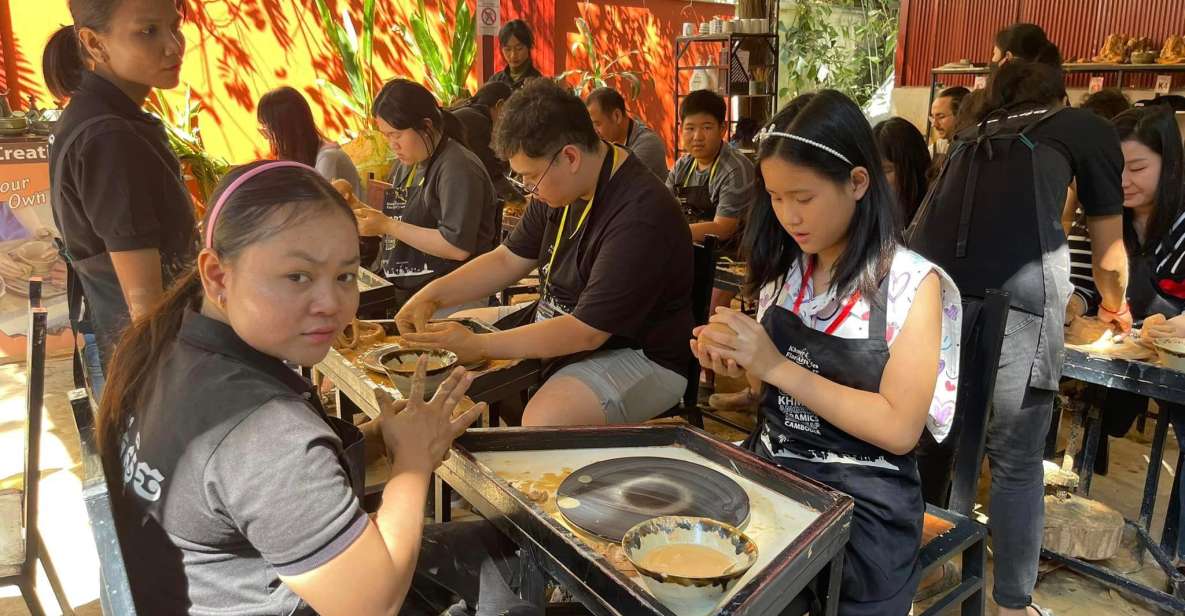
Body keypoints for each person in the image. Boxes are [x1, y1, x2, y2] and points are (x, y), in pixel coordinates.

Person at [97, 161, 539, 615]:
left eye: (346, 276)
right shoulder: (263, 433)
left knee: (498, 545)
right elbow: (372, 605)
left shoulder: (165, 349)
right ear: (216, 275)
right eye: (297, 277)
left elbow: (243, 496)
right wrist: (412, 463)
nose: (331, 304)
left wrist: (377, 441)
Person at [694, 90, 962, 615]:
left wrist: (775, 364)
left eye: (804, 196)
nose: (788, 215)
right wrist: (735, 361)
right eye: (774, 197)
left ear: (858, 183)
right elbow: (762, 394)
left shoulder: (910, 283)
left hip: (866, 503)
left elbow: (898, 428)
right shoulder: (789, 270)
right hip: (775, 475)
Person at [909, 56, 1129, 616]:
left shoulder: (966, 136)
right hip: (1021, 307)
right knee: (1015, 460)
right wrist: (1114, 306)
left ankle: (920, 578)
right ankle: (1011, 605)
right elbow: (1108, 252)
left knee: (932, 439)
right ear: (1060, 94)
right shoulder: (1082, 127)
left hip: (937, 300)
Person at [395, 79, 693, 427]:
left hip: (641, 355)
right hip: (563, 321)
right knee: (444, 352)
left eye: (530, 178)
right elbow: (508, 259)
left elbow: (587, 332)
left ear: (570, 157)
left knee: (542, 417)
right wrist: (431, 296)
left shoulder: (640, 214)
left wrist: (479, 346)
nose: (529, 192)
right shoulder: (562, 185)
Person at [45, 0, 197, 395]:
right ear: (95, 44)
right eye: (148, 31)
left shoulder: (95, 117)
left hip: (129, 349)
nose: (173, 45)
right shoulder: (110, 136)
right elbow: (145, 305)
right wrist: (171, 392)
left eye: (174, 27)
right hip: (155, 362)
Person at [1066, 106, 1185, 477]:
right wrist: (1073, 303)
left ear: (1170, 165)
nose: (1122, 181)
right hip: (1127, 352)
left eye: (1136, 168)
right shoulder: (1104, 214)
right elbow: (1086, 282)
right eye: (1114, 168)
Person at [356, 79, 497, 313]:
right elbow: (403, 224)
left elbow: (456, 247)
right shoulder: (408, 163)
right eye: (387, 136)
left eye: (397, 135)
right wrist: (358, 208)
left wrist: (387, 225)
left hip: (453, 295)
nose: (393, 145)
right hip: (412, 287)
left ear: (426, 126)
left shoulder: (457, 166)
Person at [666, 89, 755, 246]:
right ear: (681, 130)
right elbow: (661, 206)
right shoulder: (682, 166)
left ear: (722, 129)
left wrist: (669, 232)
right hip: (688, 248)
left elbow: (723, 228)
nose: (697, 137)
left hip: (729, 258)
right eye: (690, 128)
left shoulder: (735, 169)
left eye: (707, 128)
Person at [257, 86, 362, 198]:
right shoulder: (307, 156)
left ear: (286, 129)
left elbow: (318, 205)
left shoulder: (328, 157)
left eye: (268, 129)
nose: (266, 136)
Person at [586, 86, 668, 178]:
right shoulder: (606, 143)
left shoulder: (648, 144)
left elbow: (620, 184)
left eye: (597, 124)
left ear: (617, 116)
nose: (594, 131)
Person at [451, 81, 515, 199]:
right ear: (500, 105)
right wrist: (518, 200)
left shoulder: (470, 112)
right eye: (510, 113)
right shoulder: (479, 121)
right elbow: (490, 170)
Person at [873, 117, 931, 225]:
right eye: (872, 171)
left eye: (886, 170)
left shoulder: (933, 217)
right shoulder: (873, 214)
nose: (875, 180)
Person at [489, 20, 543, 90]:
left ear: (529, 47)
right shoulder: (495, 80)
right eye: (508, 49)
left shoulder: (537, 82)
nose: (513, 55)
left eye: (519, 48)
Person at [992, 22, 1062, 67]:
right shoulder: (1052, 83)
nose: (993, 59)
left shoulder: (1006, 88)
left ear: (1008, 57)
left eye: (994, 54)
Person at [929, 85, 969, 156]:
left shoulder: (974, 149)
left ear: (961, 115)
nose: (934, 124)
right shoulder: (939, 147)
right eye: (932, 117)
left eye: (941, 117)